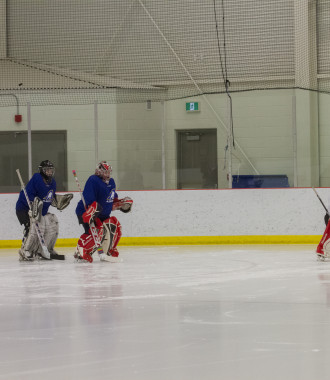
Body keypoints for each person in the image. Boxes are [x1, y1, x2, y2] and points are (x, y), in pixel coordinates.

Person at [74, 161, 133, 263]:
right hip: (86, 212)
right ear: (98, 172)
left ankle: (108, 251)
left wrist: (120, 204)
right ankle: (80, 252)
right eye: (105, 172)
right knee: (96, 231)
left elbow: (111, 199)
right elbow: (89, 200)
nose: (107, 174)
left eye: (109, 172)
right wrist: (91, 214)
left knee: (114, 225)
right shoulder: (93, 180)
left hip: (102, 214)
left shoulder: (111, 182)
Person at [16, 160, 73, 261]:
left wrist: (58, 201)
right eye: (47, 170)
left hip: (40, 211)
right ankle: (25, 250)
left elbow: (49, 198)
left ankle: (46, 250)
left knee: (52, 222)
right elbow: (28, 195)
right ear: (42, 170)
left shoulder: (53, 183)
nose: (49, 172)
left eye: (51, 170)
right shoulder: (37, 178)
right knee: (31, 226)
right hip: (24, 208)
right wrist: (33, 207)